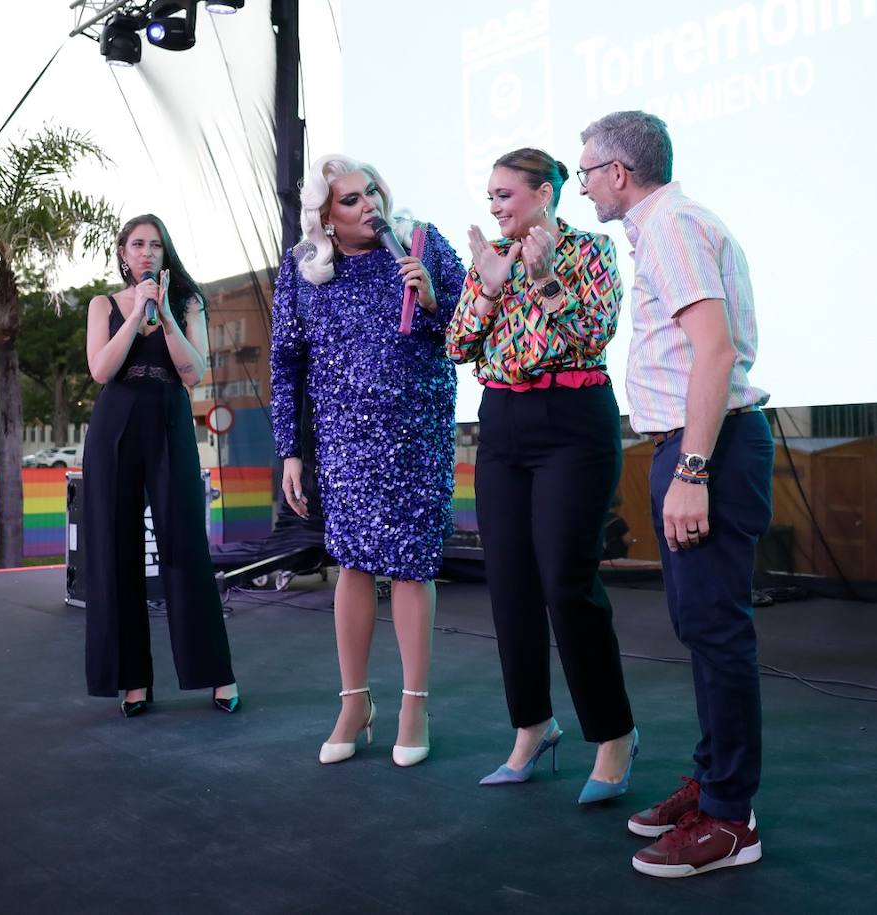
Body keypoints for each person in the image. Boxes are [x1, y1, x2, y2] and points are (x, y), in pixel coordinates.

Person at [578, 110, 772, 878]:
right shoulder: (666, 226)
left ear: (620, 172)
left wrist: (692, 471)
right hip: (697, 444)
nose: (583, 183)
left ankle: (730, 817)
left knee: (717, 630)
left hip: (709, 448)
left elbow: (715, 350)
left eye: (587, 170)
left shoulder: (672, 227)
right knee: (702, 626)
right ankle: (716, 783)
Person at [446, 147, 638, 803]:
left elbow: (594, 332)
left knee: (565, 578)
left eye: (505, 194)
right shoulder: (488, 260)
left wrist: (548, 275)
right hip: (501, 423)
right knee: (510, 584)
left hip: (573, 419)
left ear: (544, 193)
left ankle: (614, 733)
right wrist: (491, 284)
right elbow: (457, 346)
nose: (494, 205)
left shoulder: (591, 251)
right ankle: (532, 726)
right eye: (491, 195)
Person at [271, 154, 464, 768]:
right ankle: (354, 703)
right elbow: (286, 362)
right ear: (325, 217)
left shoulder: (421, 243)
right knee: (351, 562)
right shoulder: (304, 269)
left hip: (416, 431)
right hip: (344, 438)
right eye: (351, 200)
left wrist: (433, 303)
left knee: (410, 564)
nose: (369, 205)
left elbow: (474, 332)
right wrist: (290, 450)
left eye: (372, 191)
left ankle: (414, 704)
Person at [82, 214, 239, 717]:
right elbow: (101, 370)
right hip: (116, 427)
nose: (147, 252)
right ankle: (133, 682)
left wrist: (165, 314)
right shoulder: (103, 305)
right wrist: (135, 315)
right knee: (116, 551)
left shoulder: (189, 302)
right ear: (123, 254)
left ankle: (216, 674)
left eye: (155, 244)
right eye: (137, 244)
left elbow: (193, 373)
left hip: (170, 422)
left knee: (185, 545)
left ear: (165, 254)